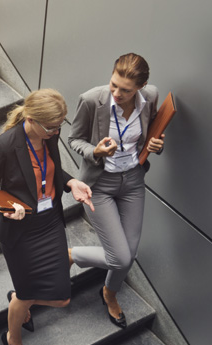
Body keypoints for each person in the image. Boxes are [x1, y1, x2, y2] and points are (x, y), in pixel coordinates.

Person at [0, 89, 94, 345]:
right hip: (20, 233)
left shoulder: (49, 135)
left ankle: (18, 300)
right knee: (27, 294)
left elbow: (53, 171)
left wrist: (71, 183)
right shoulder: (5, 145)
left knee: (62, 297)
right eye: (52, 127)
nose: (57, 131)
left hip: (49, 224)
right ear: (31, 119)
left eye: (59, 125)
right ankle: (13, 338)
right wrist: (9, 207)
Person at [67, 53, 164, 329]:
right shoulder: (91, 100)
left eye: (126, 90)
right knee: (120, 257)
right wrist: (95, 150)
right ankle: (71, 256)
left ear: (142, 87)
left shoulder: (151, 97)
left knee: (128, 255)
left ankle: (108, 292)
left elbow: (153, 132)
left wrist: (157, 145)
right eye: (114, 85)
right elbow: (74, 139)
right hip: (99, 184)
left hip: (133, 181)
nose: (117, 93)